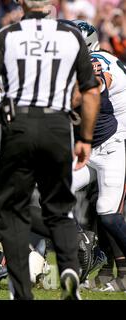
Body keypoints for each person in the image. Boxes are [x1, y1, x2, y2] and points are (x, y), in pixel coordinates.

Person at [0, 0, 100, 300]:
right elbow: (91, 90)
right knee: (59, 208)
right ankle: (68, 269)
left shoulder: (8, 34)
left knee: (14, 212)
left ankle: (20, 291)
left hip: (19, 123)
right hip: (57, 125)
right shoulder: (71, 36)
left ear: (21, 2)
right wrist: (84, 137)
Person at [70, 20, 126, 292]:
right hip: (95, 144)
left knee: (109, 213)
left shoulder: (95, 60)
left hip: (118, 142)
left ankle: (117, 270)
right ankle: (94, 255)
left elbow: (96, 86)